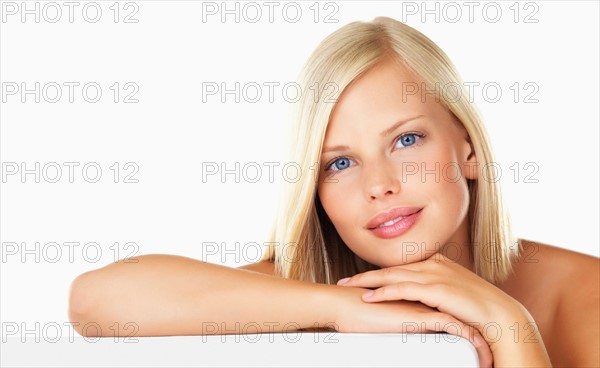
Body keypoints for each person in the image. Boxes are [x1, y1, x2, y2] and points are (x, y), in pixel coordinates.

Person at [68, 16, 599, 367]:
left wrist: (511, 326)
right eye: (339, 163)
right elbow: (95, 302)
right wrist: (341, 307)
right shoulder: (313, 288)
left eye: (406, 139)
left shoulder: (585, 296)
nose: (380, 185)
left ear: (469, 150)